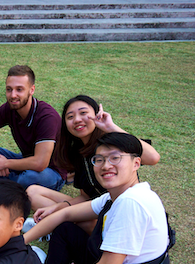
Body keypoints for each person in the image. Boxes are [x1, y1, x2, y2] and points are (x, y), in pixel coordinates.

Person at [24, 132, 170, 264]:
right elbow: (66, 214)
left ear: (136, 163)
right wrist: (21, 240)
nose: (105, 165)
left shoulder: (131, 203)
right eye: (99, 159)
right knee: (66, 229)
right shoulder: (121, 195)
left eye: (115, 158)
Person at [26, 95, 161, 232]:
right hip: (93, 206)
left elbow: (153, 157)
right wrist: (59, 207)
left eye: (83, 113)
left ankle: (54, 225)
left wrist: (110, 127)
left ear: (97, 115)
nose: (77, 119)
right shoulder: (77, 153)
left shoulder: (113, 145)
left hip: (120, 212)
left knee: (90, 224)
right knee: (32, 192)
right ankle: (54, 222)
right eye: (70, 117)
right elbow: (85, 196)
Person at [0, 65, 64, 190]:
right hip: (25, 160)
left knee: (29, 177)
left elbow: (40, 163)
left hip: (51, 171)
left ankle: (1, 181)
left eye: (19, 89)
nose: (13, 95)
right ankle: (11, 183)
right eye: (9, 89)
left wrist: (5, 163)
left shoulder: (46, 117)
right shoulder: (9, 108)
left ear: (31, 90)